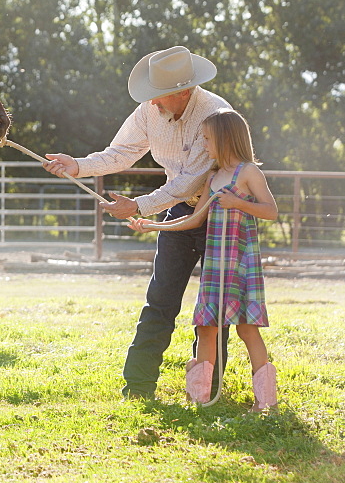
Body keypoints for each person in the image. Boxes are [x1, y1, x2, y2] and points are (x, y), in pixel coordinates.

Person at [42, 46, 232, 400]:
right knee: (160, 298)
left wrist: (139, 206)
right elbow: (122, 152)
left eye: (159, 98)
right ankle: (138, 386)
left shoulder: (215, 115)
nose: (153, 104)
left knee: (213, 306)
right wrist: (78, 166)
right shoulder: (150, 111)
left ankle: (208, 388)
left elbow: (189, 181)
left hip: (219, 214)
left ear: (183, 91)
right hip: (177, 213)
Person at [128, 108, 279, 410]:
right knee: (206, 326)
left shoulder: (249, 173)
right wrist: (152, 224)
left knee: (246, 328)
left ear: (225, 139)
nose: (205, 145)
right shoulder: (212, 177)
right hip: (214, 265)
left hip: (239, 262)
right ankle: (200, 397)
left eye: (208, 139)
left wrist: (236, 202)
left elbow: (271, 211)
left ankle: (267, 402)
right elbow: (195, 220)